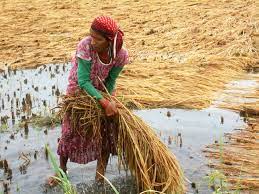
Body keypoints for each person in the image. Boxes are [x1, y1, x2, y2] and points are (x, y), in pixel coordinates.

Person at [48, 16, 129, 186]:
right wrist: (104, 103)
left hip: (100, 90)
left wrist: (109, 99)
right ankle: (62, 170)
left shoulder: (120, 55)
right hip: (77, 92)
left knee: (105, 132)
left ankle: (100, 176)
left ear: (109, 41)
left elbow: (111, 81)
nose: (92, 41)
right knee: (70, 131)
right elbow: (83, 81)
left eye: (97, 39)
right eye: (91, 35)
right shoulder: (85, 46)